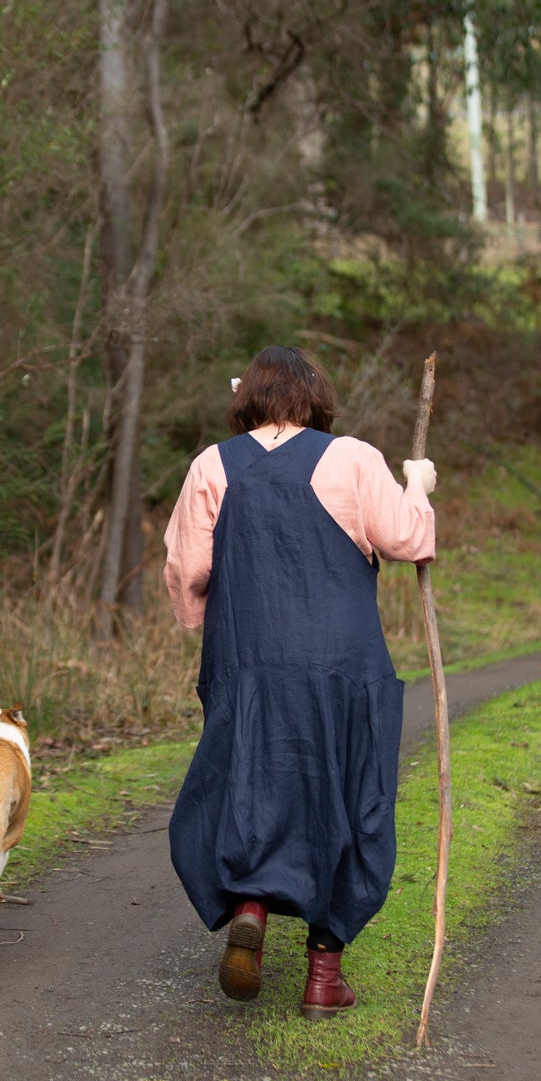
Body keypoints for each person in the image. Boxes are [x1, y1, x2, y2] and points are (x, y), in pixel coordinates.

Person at [163, 345, 437, 1019]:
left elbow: (187, 570)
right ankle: (323, 976)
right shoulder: (352, 458)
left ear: (245, 397)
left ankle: (251, 902)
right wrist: (420, 486)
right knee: (347, 794)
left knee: (249, 782)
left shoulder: (211, 466)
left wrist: (209, 627)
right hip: (340, 668)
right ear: (316, 397)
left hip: (247, 661)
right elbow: (406, 540)